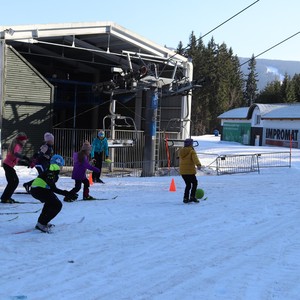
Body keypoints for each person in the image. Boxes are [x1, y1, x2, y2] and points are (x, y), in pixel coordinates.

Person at [30, 154, 77, 233]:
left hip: (37, 189)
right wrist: (67, 194)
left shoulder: (51, 170)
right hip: (39, 190)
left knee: (50, 203)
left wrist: (67, 193)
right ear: (58, 164)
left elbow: (51, 186)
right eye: (61, 165)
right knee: (57, 205)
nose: (62, 168)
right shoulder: (52, 171)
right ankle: (42, 224)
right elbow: (53, 187)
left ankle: (41, 223)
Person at [1, 132, 31, 203]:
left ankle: (5, 197)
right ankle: (5, 198)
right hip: (8, 165)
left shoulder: (17, 145)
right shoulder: (17, 145)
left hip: (8, 165)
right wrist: (25, 157)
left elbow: (16, 159)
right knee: (14, 182)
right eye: (24, 140)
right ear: (21, 140)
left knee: (12, 182)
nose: (25, 141)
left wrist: (25, 163)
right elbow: (16, 154)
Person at [179, 138, 202, 204]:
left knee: (188, 185)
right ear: (191, 144)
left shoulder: (181, 151)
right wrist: (198, 165)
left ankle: (185, 198)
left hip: (183, 172)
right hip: (190, 171)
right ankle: (192, 196)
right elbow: (195, 159)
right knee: (194, 183)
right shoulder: (192, 151)